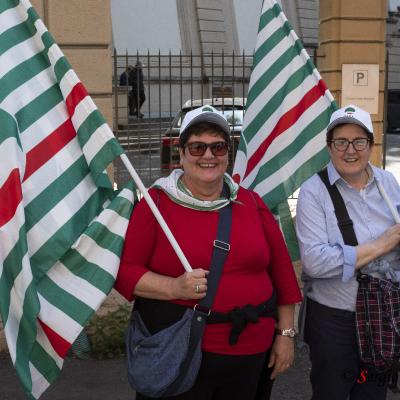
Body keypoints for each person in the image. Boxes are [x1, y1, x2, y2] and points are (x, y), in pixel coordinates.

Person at [115, 105, 302, 400]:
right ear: (181, 151)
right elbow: (125, 273)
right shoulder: (156, 204)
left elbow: (282, 273)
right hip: (180, 355)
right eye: (198, 146)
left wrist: (286, 335)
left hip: (253, 354)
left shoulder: (250, 202)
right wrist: (173, 286)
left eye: (218, 147)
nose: (208, 155)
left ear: (228, 153)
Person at [296, 104, 400, 400]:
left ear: (370, 144)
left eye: (359, 141)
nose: (350, 150)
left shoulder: (388, 183)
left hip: (383, 314)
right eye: (341, 142)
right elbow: (315, 263)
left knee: (372, 392)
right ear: (329, 147)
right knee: (332, 392)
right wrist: (382, 244)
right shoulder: (313, 191)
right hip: (335, 321)